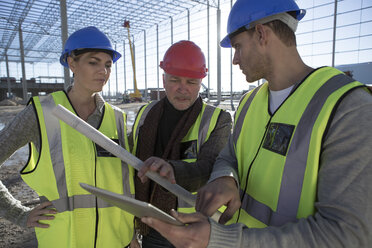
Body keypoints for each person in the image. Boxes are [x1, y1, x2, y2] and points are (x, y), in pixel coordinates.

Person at [139, 0, 372, 247]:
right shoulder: (250, 102)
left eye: (237, 47)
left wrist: (225, 239)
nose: (235, 60)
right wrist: (225, 177)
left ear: (261, 33)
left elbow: (348, 235)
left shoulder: (347, 107)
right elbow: (229, 157)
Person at [0, 26, 135, 247]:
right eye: (93, 62)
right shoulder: (41, 113)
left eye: (108, 65)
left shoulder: (117, 119)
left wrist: (130, 231)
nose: (103, 71)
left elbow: (125, 186)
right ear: (72, 63)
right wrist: (18, 214)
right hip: (64, 240)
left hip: (115, 240)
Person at [129, 40, 232, 248]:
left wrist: (172, 169)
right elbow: (131, 169)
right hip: (151, 225)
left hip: (194, 228)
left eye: (192, 82)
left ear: (201, 82)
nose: (183, 89)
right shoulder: (145, 115)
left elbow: (210, 168)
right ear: (163, 79)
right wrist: (131, 230)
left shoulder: (217, 119)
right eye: (175, 80)